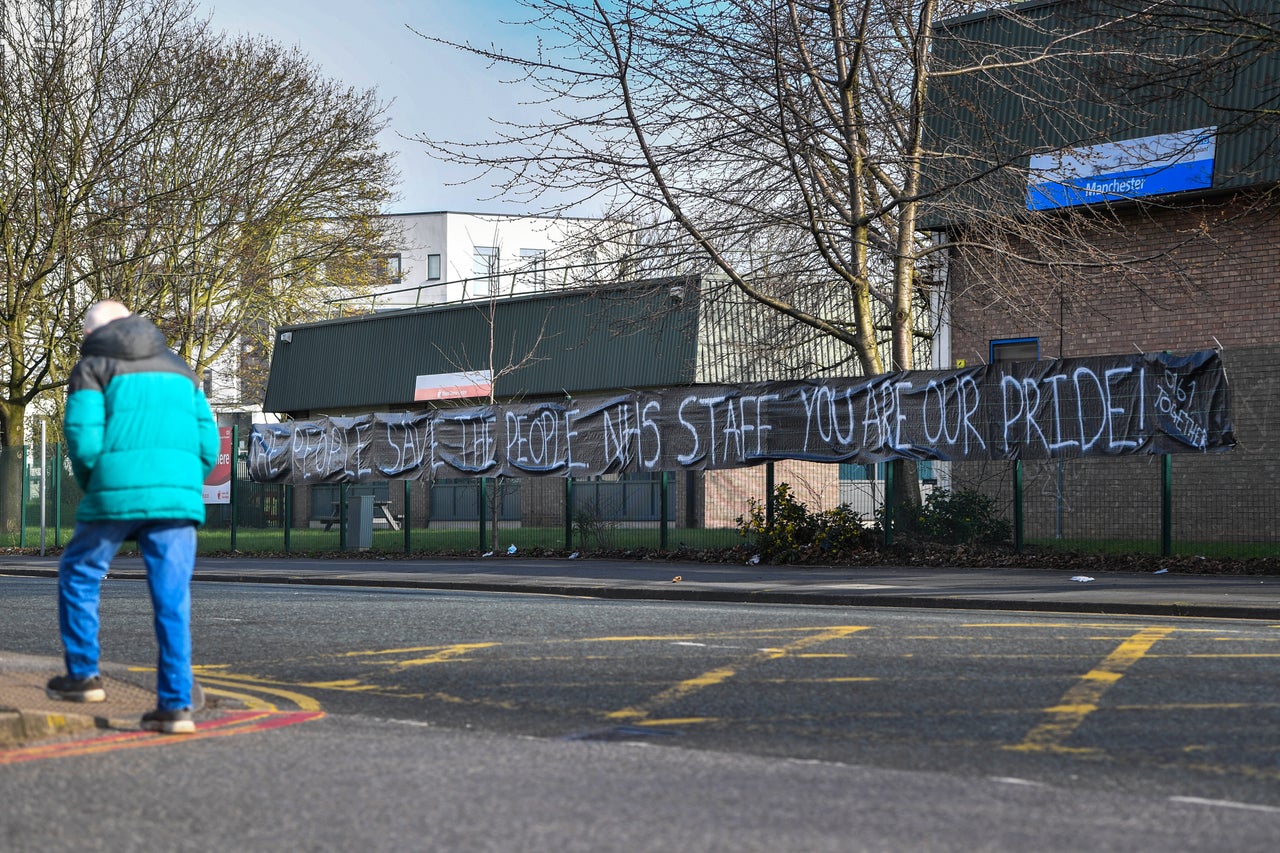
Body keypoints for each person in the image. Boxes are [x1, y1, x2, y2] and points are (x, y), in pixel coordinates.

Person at [45, 300, 220, 734]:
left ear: (91, 334)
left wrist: (98, 481)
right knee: (172, 598)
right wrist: (181, 481)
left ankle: (84, 677)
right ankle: (176, 706)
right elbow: (207, 441)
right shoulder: (182, 369)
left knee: (80, 573)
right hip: (177, 500)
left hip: (112, 491)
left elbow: (82, 438)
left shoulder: (92, 366)